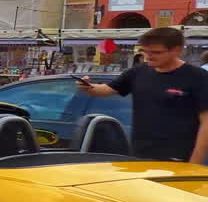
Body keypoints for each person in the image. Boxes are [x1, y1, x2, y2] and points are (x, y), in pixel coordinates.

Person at [78, 27, 208, 162]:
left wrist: (195, 162)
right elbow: (107, 89)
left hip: (180, 156)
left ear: (177, 50)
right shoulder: (139, 71)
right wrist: (89, 87)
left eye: (156, 52)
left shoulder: (198, 77)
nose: (148, 56)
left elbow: (206, 123)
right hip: (140, 154)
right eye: (144, 51)